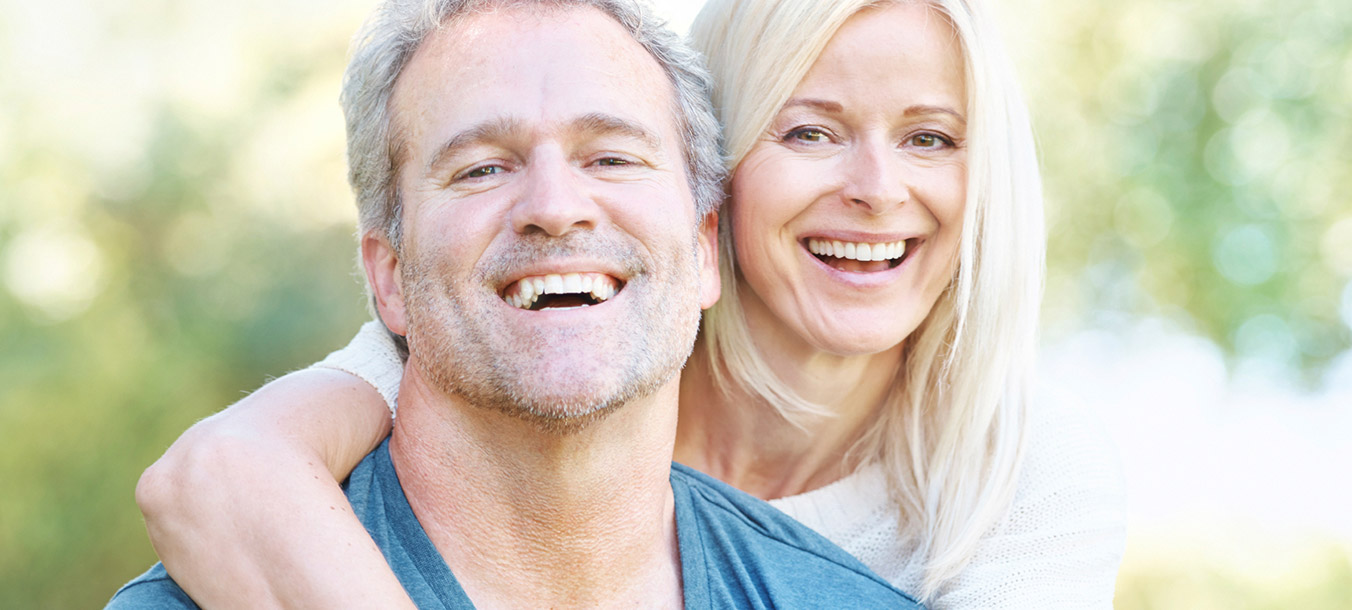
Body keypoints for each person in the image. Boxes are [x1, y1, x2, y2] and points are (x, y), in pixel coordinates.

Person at [135, 0, 1127, 607]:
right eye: (810, 132)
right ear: (718, 190)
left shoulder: (1023, 477)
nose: (873, 187)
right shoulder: (533, 336)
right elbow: (221, 472)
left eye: (930, 138)